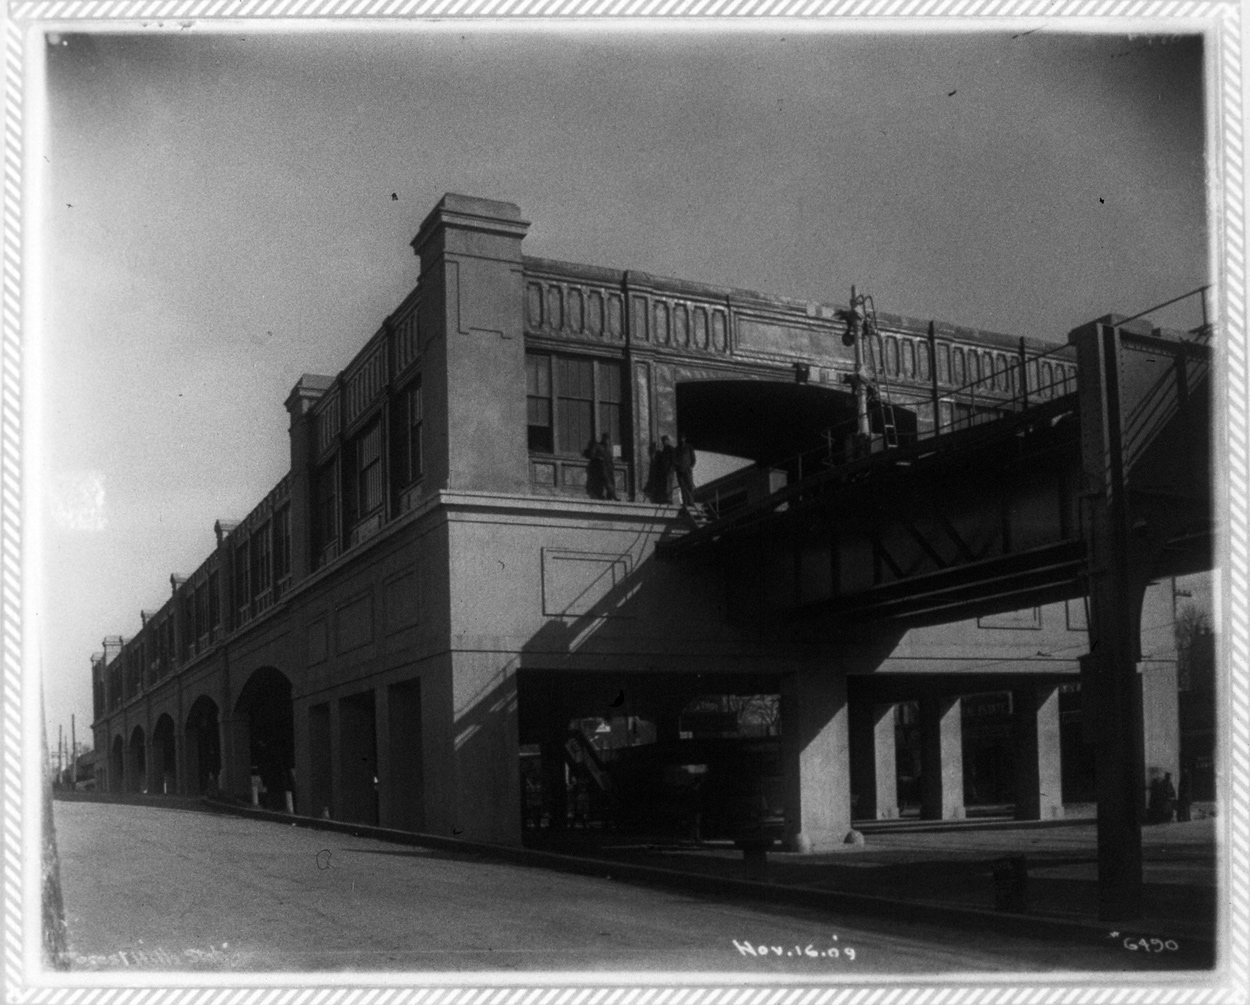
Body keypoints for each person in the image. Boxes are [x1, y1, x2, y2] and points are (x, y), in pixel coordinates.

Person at [673, 434, 696, 506]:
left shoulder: (689, 447)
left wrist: (691, 466)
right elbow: (674, 459)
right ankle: (685, 502)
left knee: (689, 485)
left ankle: (691, 501)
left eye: (683, 438)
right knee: (683, 486)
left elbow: (693, 457)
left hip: (687, 469)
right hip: (680, 470)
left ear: (685, 439)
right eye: (680, 438)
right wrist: (678, 466)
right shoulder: (677, 449)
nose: (681, 439)